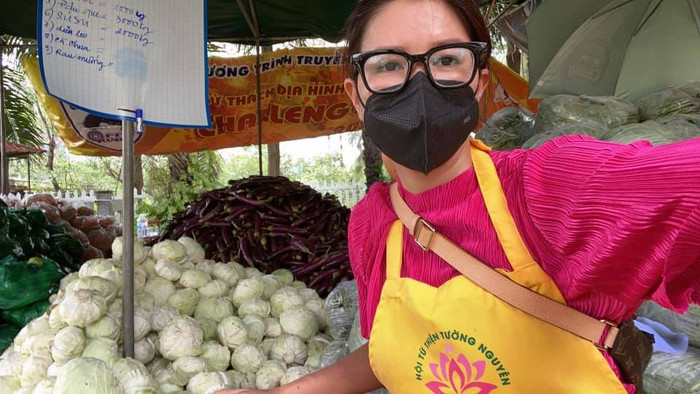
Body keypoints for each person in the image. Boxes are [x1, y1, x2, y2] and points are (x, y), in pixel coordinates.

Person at [219, 0, 700, 393]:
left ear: (480, 83)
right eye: (388, 65)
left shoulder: (554, 188)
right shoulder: (372, 223)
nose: (419, 81)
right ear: (356, 95)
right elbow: (399, 346)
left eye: (447, 59)